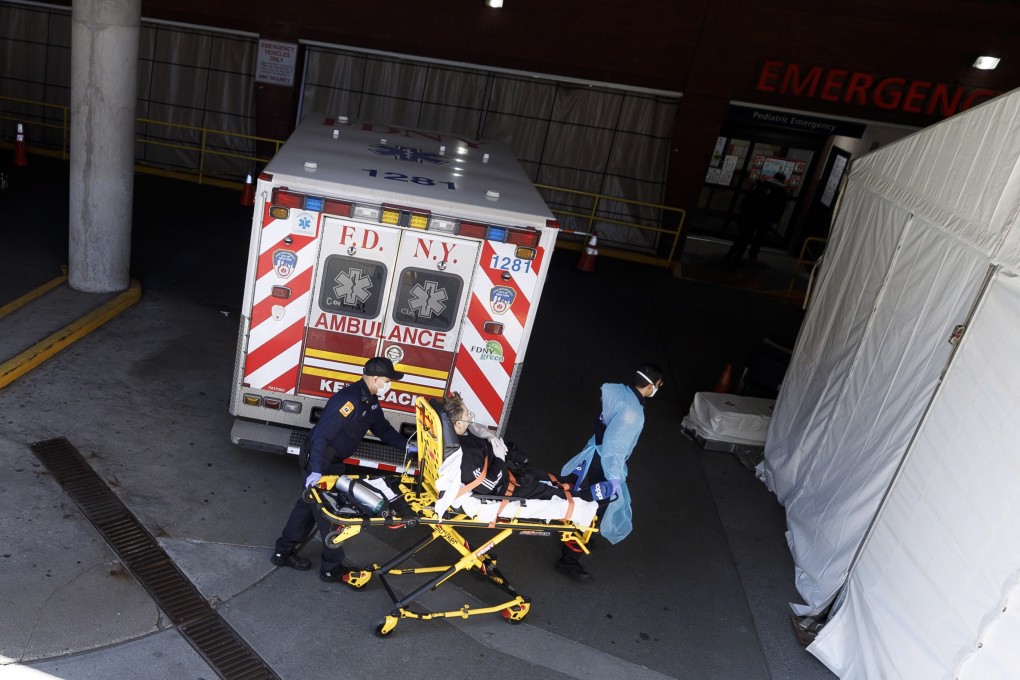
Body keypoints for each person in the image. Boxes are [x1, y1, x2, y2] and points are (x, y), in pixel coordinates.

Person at [270, 356, 410, 582]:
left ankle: (282, 552)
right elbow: (321, 436)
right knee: (330, 514)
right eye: (387, 381)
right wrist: (316, 471)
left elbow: (383, 429)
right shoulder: (349, 401)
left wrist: (408, 446)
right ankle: (331, 568)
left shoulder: (370, 400)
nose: (389, 385)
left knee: (308, 506)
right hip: (320, 459)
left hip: (331, 461)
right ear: (375, 378)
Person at [554, 363, 664, 583]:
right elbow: (615, 447)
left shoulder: (619, 393)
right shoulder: (632, 413)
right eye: (658, 385)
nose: (658, 389)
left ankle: (577, 539)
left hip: (595, 454)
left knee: (586, 501)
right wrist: (613, 478)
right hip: (604, 463)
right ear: (650, 385)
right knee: (592, 510)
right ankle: (568, 559)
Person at [727, 172, 788, 263]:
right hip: (765, 217)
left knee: (744, 235)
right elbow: (780, 207)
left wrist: (744, 209)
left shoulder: (763, 184)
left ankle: (734, 252)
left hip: (751, 213)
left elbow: (751, 197)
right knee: (759, 236)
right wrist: (775, 219)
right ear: (782, 180)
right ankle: (752, 254)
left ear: (774, 177)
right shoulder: (782, 191)